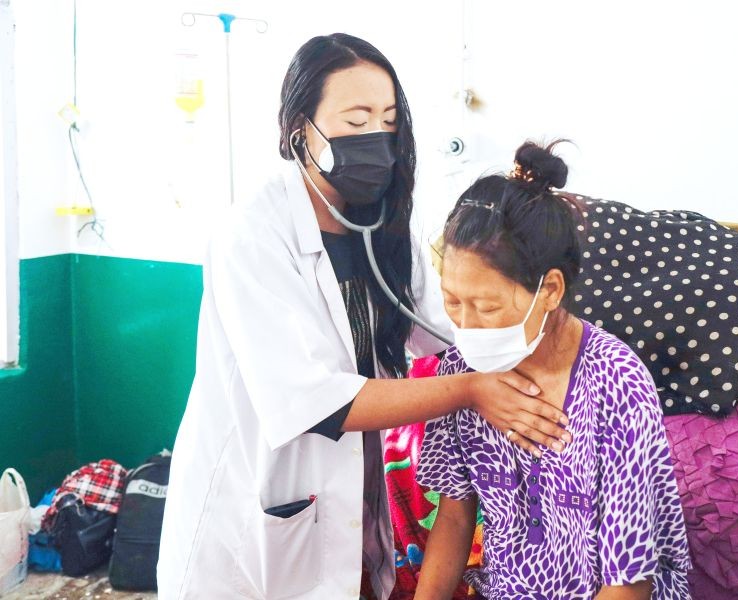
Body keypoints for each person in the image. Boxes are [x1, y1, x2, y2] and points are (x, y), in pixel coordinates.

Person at [157, 34, 571, 600]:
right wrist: (473, 390)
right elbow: (313, 401)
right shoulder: (251, 234)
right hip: (250, 508)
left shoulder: (383, 223)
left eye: (388, 121)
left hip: (347, 493)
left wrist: (541, 342)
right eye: (355, 121)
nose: (377, 137)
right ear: (300, 130)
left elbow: (445, 329)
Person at [413, 141, 692, 600]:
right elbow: (455, 519)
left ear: (550, 291)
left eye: (487, 307)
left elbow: (629, 583)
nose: (466, 325)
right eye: (452, 301)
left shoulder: (617, 383)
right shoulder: (463, 374)